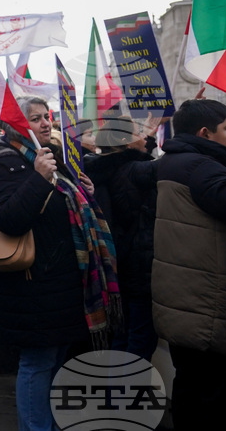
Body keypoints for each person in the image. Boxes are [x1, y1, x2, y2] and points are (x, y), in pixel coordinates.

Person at [0, 95, 120, 431]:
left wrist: (83, 191)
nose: (46, 123)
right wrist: (38, 179)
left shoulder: (48, 158)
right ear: (14, 127)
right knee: (37, 362)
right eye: (35, 119)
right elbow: (7, 219)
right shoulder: (4, 162)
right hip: (33, 284)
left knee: (54, 360)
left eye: (46, 116)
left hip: (61, 282)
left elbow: (66, 212)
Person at [152, 99, 226, 430]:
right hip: (208, 304)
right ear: (205, 133)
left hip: (184, 300)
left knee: (193, 385)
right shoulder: (202, 168)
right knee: (215, 397)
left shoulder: (176, 162)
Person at [83, 115, 159, 361]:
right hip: (138, 267)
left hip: (115, 269)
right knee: (140, 339)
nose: (143, 138)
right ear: (126, 142)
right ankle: (126, 399)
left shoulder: (98, 169)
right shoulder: (134, 171)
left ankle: (114, 396)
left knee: (121, 335)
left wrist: (150, 134)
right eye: (138, 132)